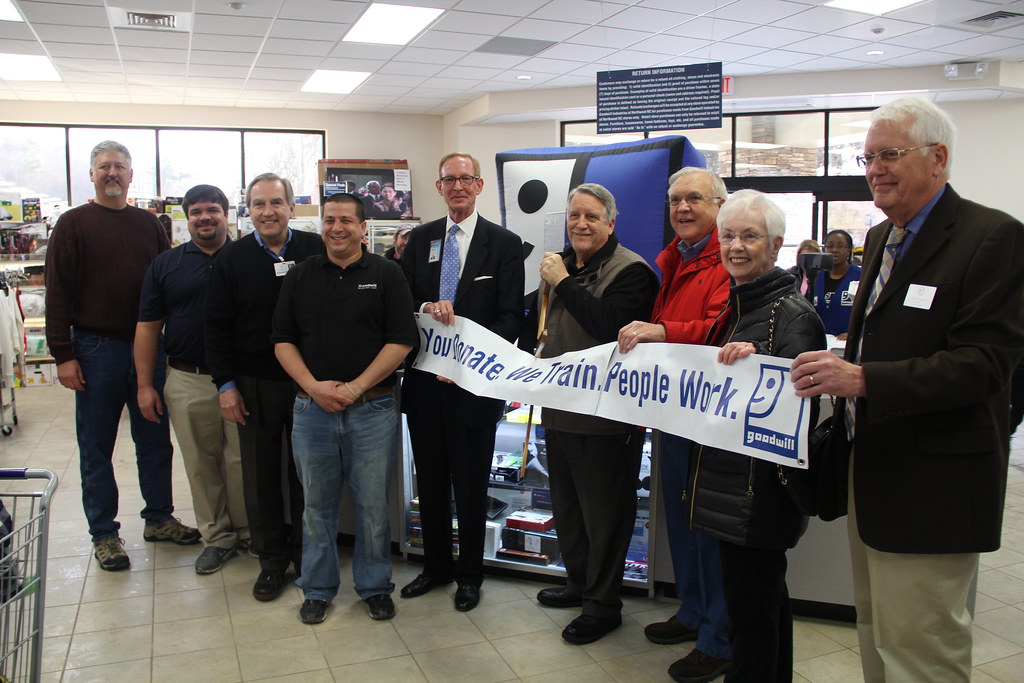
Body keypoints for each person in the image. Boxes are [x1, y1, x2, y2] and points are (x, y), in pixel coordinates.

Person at [791, 96, 1024, 681]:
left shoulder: (992, 238)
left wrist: (864, 378)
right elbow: (890, 336)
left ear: (938, 158)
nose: (874, 169)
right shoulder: (882, 237)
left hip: (936, 486)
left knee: (922, 650)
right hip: (872, 474)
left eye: (890, 154)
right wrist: (842, 358)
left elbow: (984, 365)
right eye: (868, 157)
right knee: (877, 635)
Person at [689, 190, 825, 682]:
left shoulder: (792, 315)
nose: (736, 247)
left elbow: (797, 401)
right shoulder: (737, 304)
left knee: (753, 615)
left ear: (776, 245)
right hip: (733, 488)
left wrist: (764, 368)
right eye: (728, 236)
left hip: (759, 494)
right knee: (762, 606)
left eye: (750, 236)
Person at [45, 140, 199, 572]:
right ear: (91, 174)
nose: (112, 173)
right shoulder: (72, 224)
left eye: (119, 167)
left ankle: (159, 518)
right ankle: (104, 533)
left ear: (131, 176)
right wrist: (62, 354)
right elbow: (57, 292)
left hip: (149, 347)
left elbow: (167, 282)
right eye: (104, 167)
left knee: (154, 439)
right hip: (94, 349)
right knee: (97, 445)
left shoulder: (149, 224)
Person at [521, 183, 659, 644]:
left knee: (605, 517)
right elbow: (534, 326)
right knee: (569, 509)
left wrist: (561, 281)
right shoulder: (560, 265)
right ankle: (578, 584)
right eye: (574, 215)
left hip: (606, 420)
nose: (580, 224)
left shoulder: (633, 272)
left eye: (592, 217)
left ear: (611, 224)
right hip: (559, 410)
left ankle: (603, 607)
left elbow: (608, 328)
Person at [272, 193, 417, 624]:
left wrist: (354, 388)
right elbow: (282, 341)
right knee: (316, 506)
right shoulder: (299, 277)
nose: (337, 228)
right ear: (322, 225)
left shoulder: (387, 274)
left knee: (373, 506)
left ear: (362, 226)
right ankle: (317, 589)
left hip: (371, 409)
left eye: (346, 221)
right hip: (310, 410)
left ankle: (374, 587)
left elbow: (402, 341)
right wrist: (313, 387)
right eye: (329, 220)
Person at [617, 166, 732, 683]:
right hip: (674, 413)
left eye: (694, 199)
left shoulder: (726, 258)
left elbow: (717, 327)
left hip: (708, 418)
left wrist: (662, 330)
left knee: (708, 529)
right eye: (675, 201)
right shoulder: (674, 261)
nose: (682, 209)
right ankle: (693, 611)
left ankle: (719, 637)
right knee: (682, 522)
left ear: (718, 204)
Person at [400, 152, 524, 612]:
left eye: (466, 179)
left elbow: (512, 317)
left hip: (472, 388)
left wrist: (469, 361)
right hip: (426, 383)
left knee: (471, 485)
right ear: (439, 186)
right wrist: (426, 309)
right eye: (449, 179)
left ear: (478, 186)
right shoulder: (420, 240)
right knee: (429, 482)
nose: (457, 186)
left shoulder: (505, 244)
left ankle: (470, 575)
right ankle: (435, 568)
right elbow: (404, 300)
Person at [205, 172, 324, 601]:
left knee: (308, 476)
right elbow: (216, 329)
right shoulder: (232, 259)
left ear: (292, 207)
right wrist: (226, 386)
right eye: (259, 204)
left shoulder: (315, 249)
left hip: (308, 385)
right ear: (248, 210)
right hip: (253, 384)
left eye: (277, 202)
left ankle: (308, 557)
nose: (268, 212)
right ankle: (271, 561)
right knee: (260, 476)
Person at [135, 184, 248, 575]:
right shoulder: (166, 265)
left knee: (241, 461)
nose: (205, 217)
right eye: (196, 211)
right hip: (187, 378)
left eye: (212, 210)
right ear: (187, 217)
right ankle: (218, 538)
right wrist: (145, 384)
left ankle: (249, 532)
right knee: (201, 464)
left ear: (226, 213)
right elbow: (148, 328)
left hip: (241, 380)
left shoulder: (248, 258)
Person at [813, 230, 861, 339]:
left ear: (849, 250)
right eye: (830, 246)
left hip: (847, 344)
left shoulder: (861, 277)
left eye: (840, 246)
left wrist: (854, 334)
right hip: (820, 342)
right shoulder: (816, 278)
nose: (834, 250)